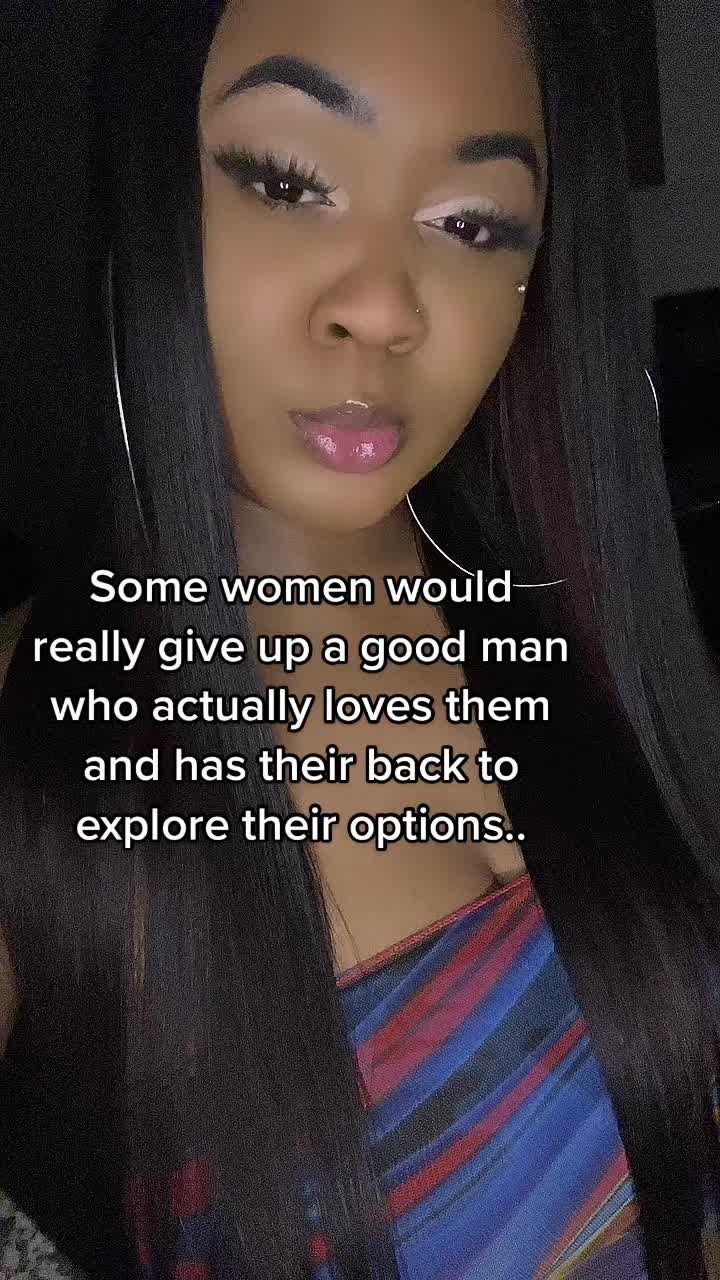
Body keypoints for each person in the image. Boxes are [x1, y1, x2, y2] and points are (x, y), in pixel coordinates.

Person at [1, 0, 720, 1277]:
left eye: (474, 222)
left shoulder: (585, 623)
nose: (383, 307)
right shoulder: (38, 734)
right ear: (149, 201)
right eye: (288, 180)